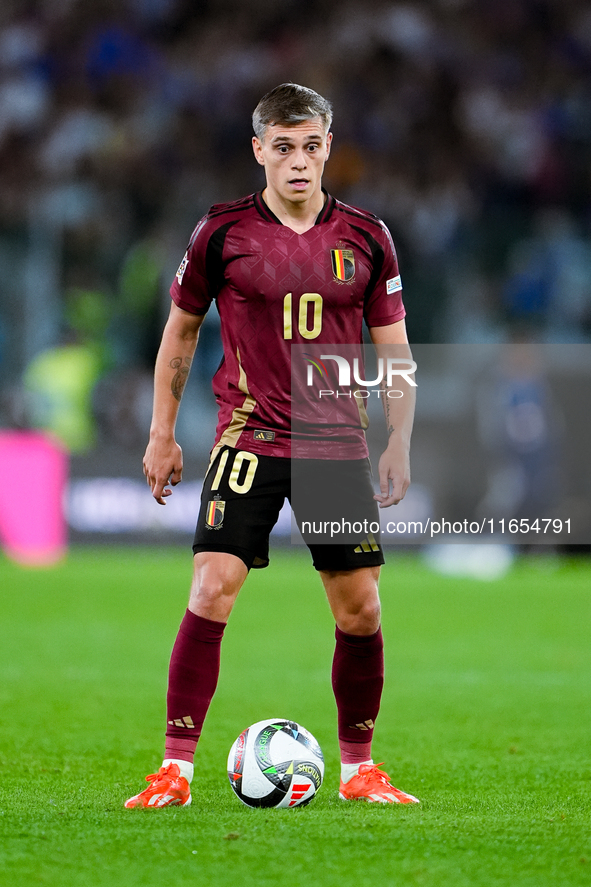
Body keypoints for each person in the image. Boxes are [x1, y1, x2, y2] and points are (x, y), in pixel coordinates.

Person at [125, 83, 419, 808]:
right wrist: (161, 433)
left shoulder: (366, 236)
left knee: (360, 610)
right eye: (282, 147)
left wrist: (397, 439)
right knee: (209, 590)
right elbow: (181, 335)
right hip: (247, 436)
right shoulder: (220, 232)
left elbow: (394, 348)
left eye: (311, 146)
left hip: (335, 443)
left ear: (328, 149)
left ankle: (359, 770)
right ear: (258, 150)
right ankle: (175, 770)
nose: (298, 161)